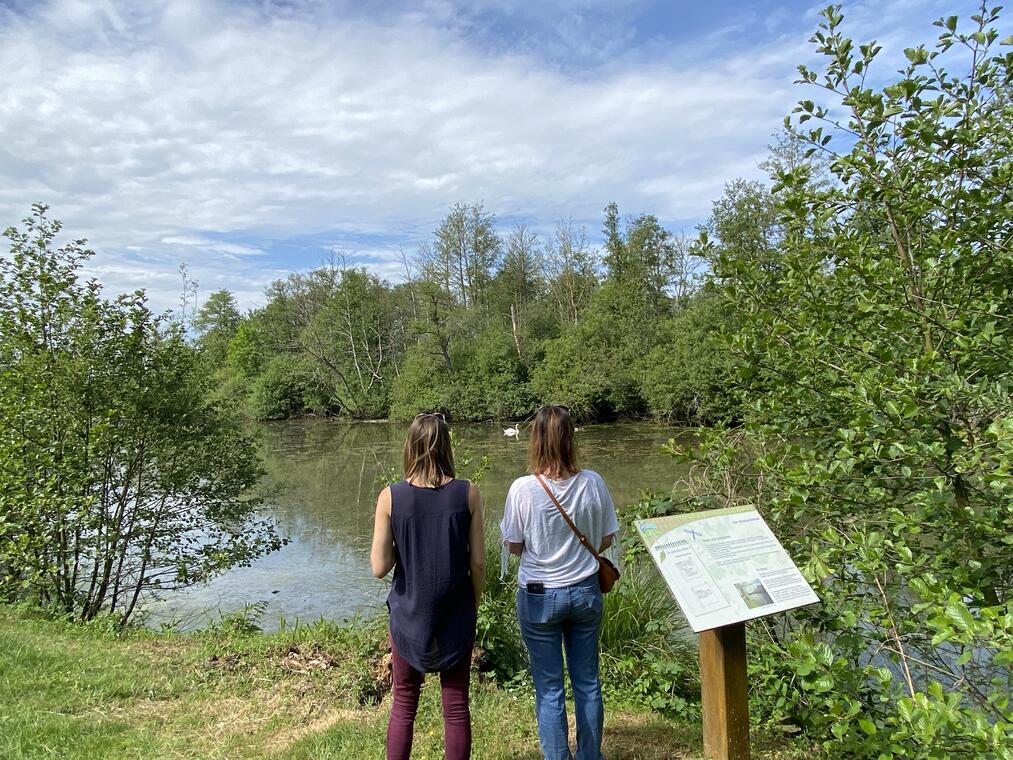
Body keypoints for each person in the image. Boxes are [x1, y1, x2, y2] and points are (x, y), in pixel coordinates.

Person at [500, 405, 618, 760]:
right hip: (584, 591)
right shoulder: (593, 481)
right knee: (587, 683)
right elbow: (607, 538)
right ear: (571, 439)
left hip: (538, 595)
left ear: (535, 440)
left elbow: (514, 545)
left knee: (549, 688)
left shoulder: (523, 489)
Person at [370, 412, 486, 760]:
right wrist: (474, 603)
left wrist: (403, 540)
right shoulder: (468, 493)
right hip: (456, 613)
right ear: (446, 446)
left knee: (404, 703)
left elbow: (379, 567)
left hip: (409, 615)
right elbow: (478, 561)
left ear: (410, 447)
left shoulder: (390, 497)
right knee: (455, 705)